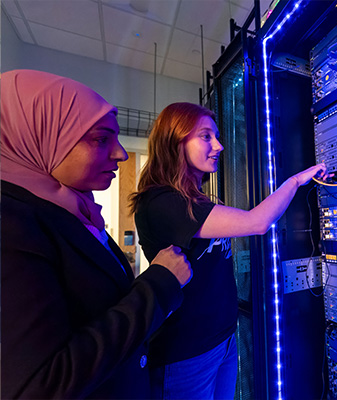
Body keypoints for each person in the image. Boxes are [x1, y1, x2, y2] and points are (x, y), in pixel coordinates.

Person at [1, 69, 193, 399]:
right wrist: (159, 284)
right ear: (40, 136)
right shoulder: (11, 225)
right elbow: (40, 385)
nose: (120, 153)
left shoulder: (72, 210)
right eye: (101, 139)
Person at [130, 102, 328, 399]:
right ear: (174, 141)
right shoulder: (161, 203)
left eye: (217, 136)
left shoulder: (193, 200)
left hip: (221, 340)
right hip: (186, 352)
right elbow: (257, 222)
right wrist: (296, 181)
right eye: (206, 136)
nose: (219, 146)